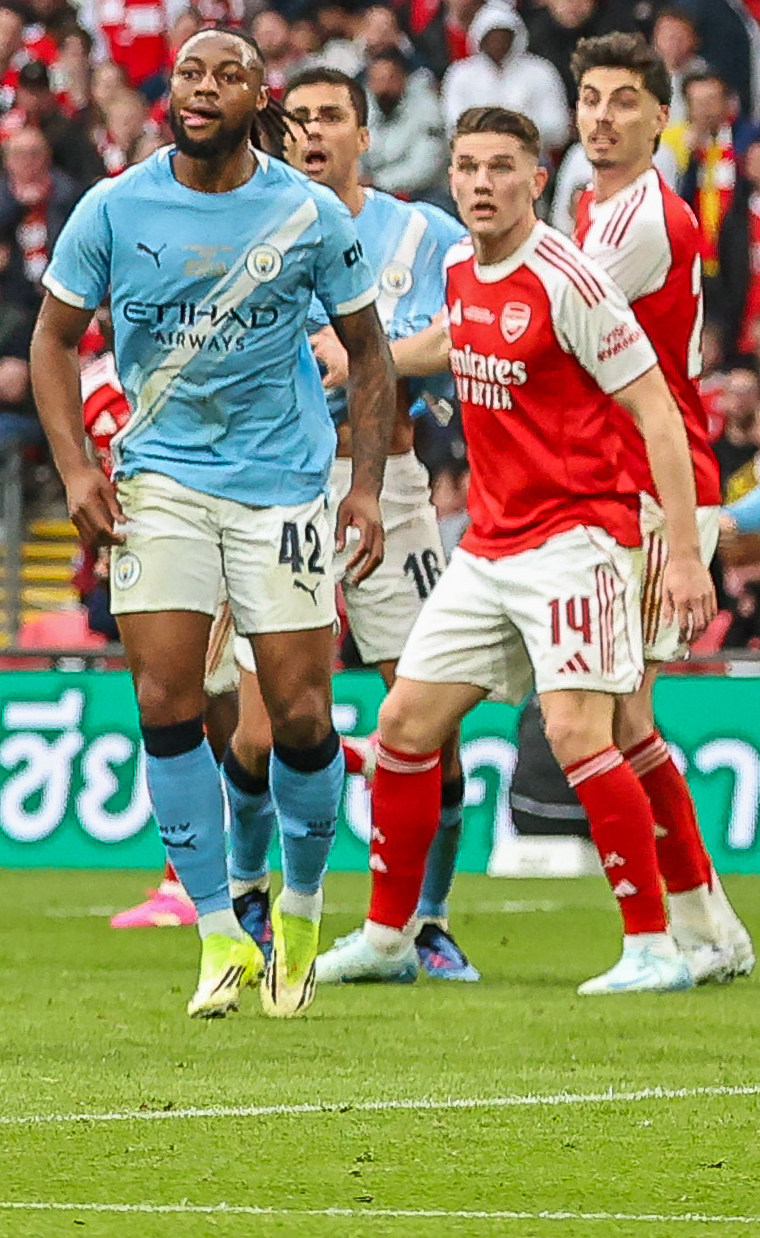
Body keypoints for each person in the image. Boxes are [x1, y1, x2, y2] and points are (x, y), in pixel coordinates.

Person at [31, 26, 393, 1020]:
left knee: (299, 715)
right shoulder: (110, 205)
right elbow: (53, 338)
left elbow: (366, 352)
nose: (201, 87)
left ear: (255, 97)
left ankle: (304, 913)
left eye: (224, 74)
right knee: (164, 700)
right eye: (188, 70)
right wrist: (73, 468)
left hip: (280, 484)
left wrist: (361, 489)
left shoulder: (307, 212)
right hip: (160, 482)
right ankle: (217, 930)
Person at [342, 107, 718, 996]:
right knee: (402, 726)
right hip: (488, 545)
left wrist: (688, 548)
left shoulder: (572, 280)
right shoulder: (463, 267)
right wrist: (374, 363)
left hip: (574, 543)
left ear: (535, 179)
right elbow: (452, 340)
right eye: (467, 166)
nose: (479, 183)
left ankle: (653, 945)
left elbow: (657, 411)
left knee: (584, 730)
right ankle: (391, 937)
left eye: (500, 167)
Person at [493, 39, 748, 980]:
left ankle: (684, 935)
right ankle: (706, 929)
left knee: (622, 719)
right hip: (619, 479)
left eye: (625, 102)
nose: (601, 117)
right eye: (590, 99)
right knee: (629, 719)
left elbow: (549, 308)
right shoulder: (592, 200)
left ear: (658, 119)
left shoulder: (639, 220)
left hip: (652, 484)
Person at [255, 68, 481, 985]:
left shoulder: (423, 232)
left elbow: (471, 326)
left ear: (362, 134)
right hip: (274, 485)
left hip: (386, 484)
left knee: (428, 709)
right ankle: (248, 905)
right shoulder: (254, 223)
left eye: (330, 116)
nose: (312, 131)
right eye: (299, 117)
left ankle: (426, 917)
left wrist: (361, 357)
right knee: (261, 717)